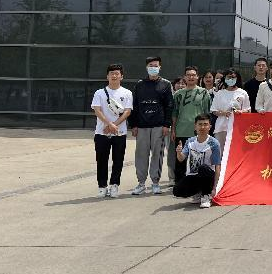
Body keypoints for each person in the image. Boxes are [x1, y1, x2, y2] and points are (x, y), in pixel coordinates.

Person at [129, 56, 174, 196]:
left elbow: (169, 105)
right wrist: (133, 125)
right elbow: (134, 105)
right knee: (141, 155)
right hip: (142, 126)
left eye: (156, 65)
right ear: (146, 67)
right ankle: (141, 183)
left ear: (160, 67)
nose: (153, 68)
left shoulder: (166, 84)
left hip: (159, 126)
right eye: (150, 65)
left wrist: (166, 124)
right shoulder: (140, 84)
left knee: (157, 155)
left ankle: (155, 183)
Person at [91, 63, 132, 198]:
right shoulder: (99, 93)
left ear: (121, 76)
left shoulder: (127, 93)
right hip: (101, 132)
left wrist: (114, 125)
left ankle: (114, 185)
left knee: (118, 160)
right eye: (111, 73)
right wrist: (109, 124)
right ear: (107, 76)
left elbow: (127, 111)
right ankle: (102, 186)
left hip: (120, 133)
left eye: (117, 73)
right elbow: (97, 110)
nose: (114, 76)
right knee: (101, 160)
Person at [171, 66, 212, 183]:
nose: (191, 77)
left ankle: (195, 185)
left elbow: (207, 113)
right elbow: (174, 113)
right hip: (181, 130)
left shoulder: (204, 93)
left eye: (193, 75)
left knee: (197, 160)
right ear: (184, 77)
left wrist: (207, 129)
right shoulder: (178, 94)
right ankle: (179, 185)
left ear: (197, 77)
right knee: (180, 160)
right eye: (188, 75)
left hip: (199, 132)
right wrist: (173, 130)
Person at [174, 114, 222, 209]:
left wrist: (215, 188)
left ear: (210, 127)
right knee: (176, 190)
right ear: (195, 126)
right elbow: (181, 158)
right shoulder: (190, 141)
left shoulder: (214, 143)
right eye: (200, 124)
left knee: (203, 168)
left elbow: (217, 166)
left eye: (205, 124)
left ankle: (206, 195)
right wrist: (179, 152)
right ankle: (197, 193)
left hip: (208, 175)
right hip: (193, 175)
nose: (202, 127)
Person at [211, 68, 251, 157]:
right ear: (225, 78)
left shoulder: (242, 93)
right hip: (221, 127)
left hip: (237, 127)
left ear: (237, 79)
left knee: (235, 153)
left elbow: (248, 110)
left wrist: (240, 112)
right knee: (220, 152)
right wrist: (223, 113)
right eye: (228, 77)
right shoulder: (220, 93)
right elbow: (214, 110)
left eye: (233, 77)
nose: (231, 79)